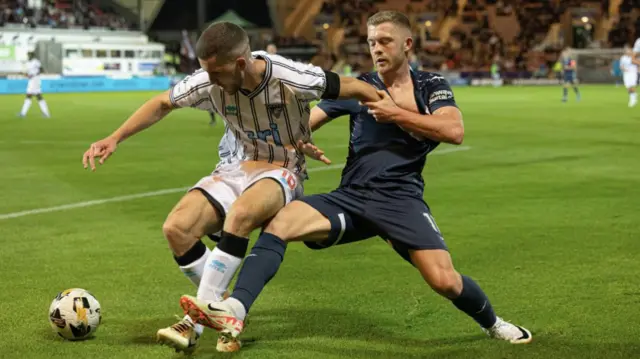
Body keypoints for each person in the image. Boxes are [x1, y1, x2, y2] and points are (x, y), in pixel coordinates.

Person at [180, 11, 533, 353]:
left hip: (400, 201)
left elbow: (454, 130)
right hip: (350, 198)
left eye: (384, 41)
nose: (376, 49)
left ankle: (494, 323)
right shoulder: (360, 88)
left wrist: (396, 114)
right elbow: (303, 126)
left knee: (445, 281)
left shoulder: (431, 85)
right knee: (279, 223)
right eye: (371, 42)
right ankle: (235, 311)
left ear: (407, 44)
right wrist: (295, 142)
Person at [81, 21, 383, 353]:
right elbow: (162, 103)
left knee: (238, 217)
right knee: (176, 228)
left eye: (216, 73)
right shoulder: (209, 81)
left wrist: (395, 114)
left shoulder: (289, 77)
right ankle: (222, 310)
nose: (210, 81)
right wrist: (115, 138)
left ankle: (194, 321)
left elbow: (355, 87)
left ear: (240, 63)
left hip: (282, 170)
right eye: (206, 72)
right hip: (235, 168)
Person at [18, 52, 51, 118]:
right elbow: (29, 74)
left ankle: (23, 113)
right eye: (28, 55)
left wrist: (34, 75)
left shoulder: (36, 62)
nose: (28, 56)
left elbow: (42, 70)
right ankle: (46, 113)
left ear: (33, 55)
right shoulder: (27, 63)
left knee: (30, 96)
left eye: (29, 55)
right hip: (32, 80)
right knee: (37, 96)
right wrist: (23, 74)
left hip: (35, 80)